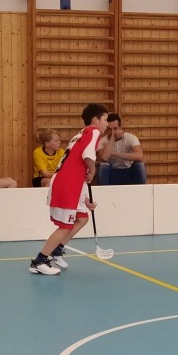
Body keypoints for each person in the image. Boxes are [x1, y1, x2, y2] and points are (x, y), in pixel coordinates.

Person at [29, 103, 109, 276]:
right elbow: (88, 155)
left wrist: (84, 199)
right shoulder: (93, 131)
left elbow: (75, 167)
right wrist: (93, 170)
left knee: (82, 217)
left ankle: (57, 250)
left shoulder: (80, 135)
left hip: (70, 183)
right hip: (67, 184)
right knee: (65, 226)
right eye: (105, 120)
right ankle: (39, 261)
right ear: (95, 120)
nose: (107, 124)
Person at [95, 113, 147, 185]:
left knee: (140, 165)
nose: (112, 132)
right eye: (109, 129)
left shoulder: (130, 138)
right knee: (103, 166)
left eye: (115, 128)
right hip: (112, 172)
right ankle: (104, 191)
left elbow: (139, 156)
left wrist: (113, 153)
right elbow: (103, 158)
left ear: (120, 127)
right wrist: (113, 138)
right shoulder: (102, 141)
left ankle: (141, 190)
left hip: (129, 171)